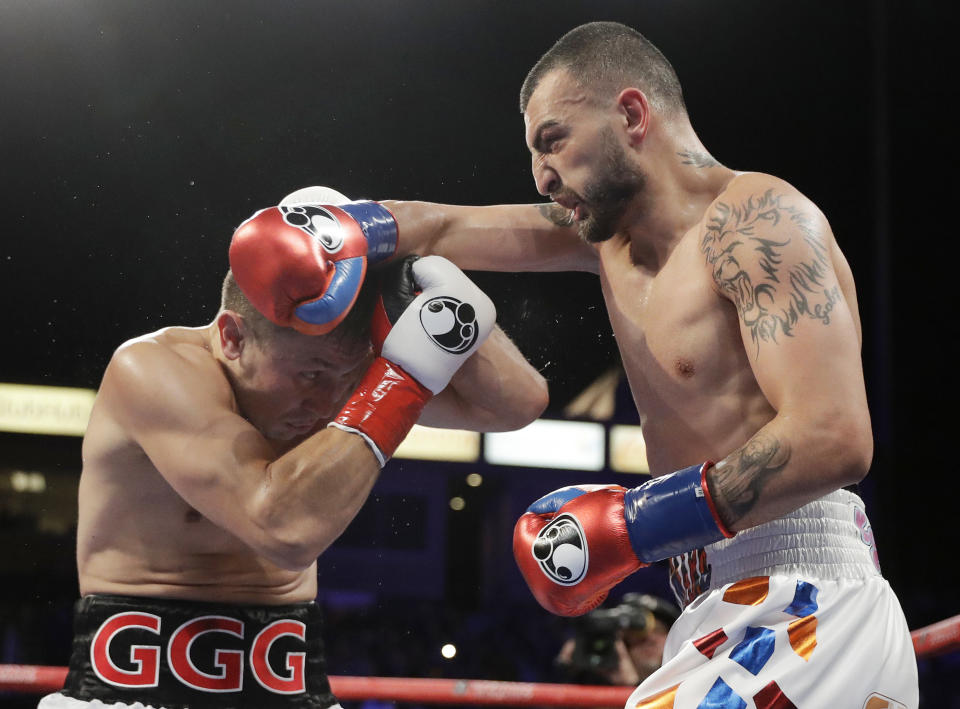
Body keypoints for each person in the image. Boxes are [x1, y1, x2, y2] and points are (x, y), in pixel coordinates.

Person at [371, 20, 917, 708]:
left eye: (554, 141)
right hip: (715, 601)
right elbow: (444, 228)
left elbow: (836, 435)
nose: (542, 174)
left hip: (808, 600)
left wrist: (634, 524)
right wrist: (341, 228)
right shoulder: (609, 243)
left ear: (631, 113)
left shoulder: (757, 222)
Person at [37, 195, 551, 709]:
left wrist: (418, 274)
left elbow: (515, 404)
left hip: (291, 680)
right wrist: (400, 381)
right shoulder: (152, 370)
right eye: (310, 375)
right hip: (136, 686)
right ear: (231, 336)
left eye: (349, 378)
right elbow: (282, 530)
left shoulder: (338, 377)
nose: (330, 401)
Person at [555, 593, 678, 687]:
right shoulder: (599, 692)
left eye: (658, 630)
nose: (650, 639)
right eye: (637, 635)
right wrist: (566, 672)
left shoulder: (688, 685)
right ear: (621, 643)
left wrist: (631, 687)